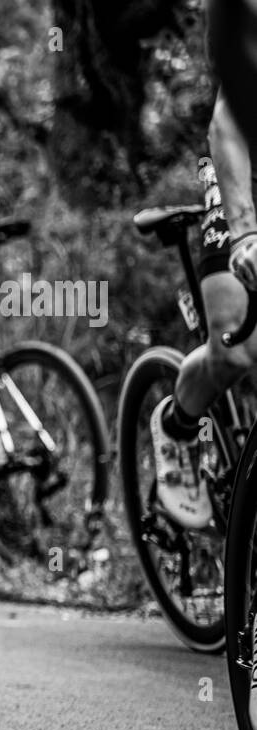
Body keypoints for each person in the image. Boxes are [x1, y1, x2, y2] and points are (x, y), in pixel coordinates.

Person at [149, 92, 257, 530]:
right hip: (246, 175)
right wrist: (246, 234)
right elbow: (226, 123)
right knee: (236, 346)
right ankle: (179, 427)